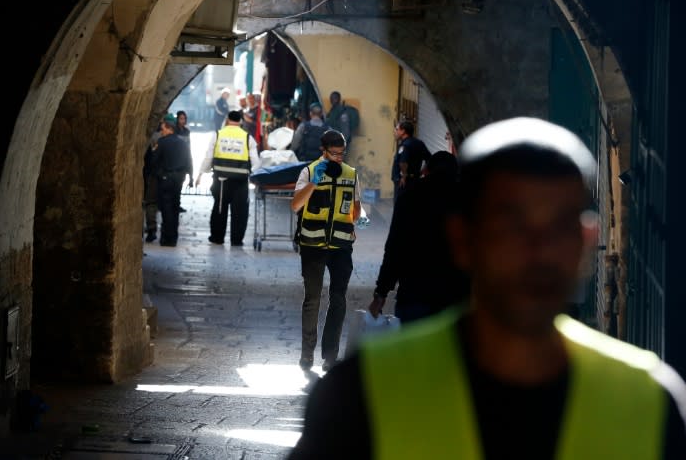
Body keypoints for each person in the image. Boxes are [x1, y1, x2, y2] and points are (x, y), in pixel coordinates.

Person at [288, 117, 686, 459]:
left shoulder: (649, 401)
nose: (539, 251)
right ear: (464, 239)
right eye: (513, 226)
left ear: (586, 241)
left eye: (559, 225)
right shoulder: (362, 395)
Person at [290, 130, 361, 373]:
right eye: (334, 154)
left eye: (342, 154)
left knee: (338, 300)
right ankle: (307, 354)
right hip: (313, 245)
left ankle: (330, 356)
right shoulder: (309, 172)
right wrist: (314, 183)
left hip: (341, 246)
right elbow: (296, 204)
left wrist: (357, 222)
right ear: (323, 151)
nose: (339, 158)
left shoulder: (351, 174)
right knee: (312, 299)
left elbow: (357, 209)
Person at [370, 150, 469, 324]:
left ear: (426, 171)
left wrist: (381, 293)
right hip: (456, 299)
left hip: (414, 295)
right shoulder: (470, 200)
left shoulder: (410, 196)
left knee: (413, 348)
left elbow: (394, 247)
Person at [196, 110, 261, 246]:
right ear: (241, 121)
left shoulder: (218, 135)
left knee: (219, 209)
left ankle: (217, 238)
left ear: (227, 119)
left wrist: (202, 172)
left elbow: (209, 156)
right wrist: (249, 173)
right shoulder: (247, 137)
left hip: (220, 181)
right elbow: (256, 163)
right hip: (240, 182)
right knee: (239, 212)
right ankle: (236, 240)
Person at [150, 113, 191, 247]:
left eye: (163, 129)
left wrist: (158, 173)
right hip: (179, 179)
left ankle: (166, 238)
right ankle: (173, 237)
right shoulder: (182, 143)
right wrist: (190, 176)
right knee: (175, 207)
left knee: (166, 208)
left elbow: (153, 161)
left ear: (168, 129)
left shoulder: (162, 143)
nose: (161, 132)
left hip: (166, 178)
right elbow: (189, 160)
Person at [390, 120, 431, 203]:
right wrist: (422, 172)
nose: (395, 132)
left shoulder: (405, 145)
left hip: (403, 183)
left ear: (403, 131)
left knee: (401, 206)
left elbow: (403, 162)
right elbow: (430, 159)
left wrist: (404, 176)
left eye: (397, 129)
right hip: (415, 180)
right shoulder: (419, 143)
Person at [143, 117, 164, 243]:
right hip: (161, 176)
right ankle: (165, 233)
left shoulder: (150, 140)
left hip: (151, 175)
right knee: (160, 204)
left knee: (150, 203)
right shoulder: (161, 140)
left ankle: (152, 230)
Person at [174, 110, 194, 213]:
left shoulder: (186, 131)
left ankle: (177, 204)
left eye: (184, 118)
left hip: (183, 160)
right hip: (175, 160)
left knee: (179, 186)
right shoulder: (174, 131)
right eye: (181, 118)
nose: (183, 120)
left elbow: (188, 147)